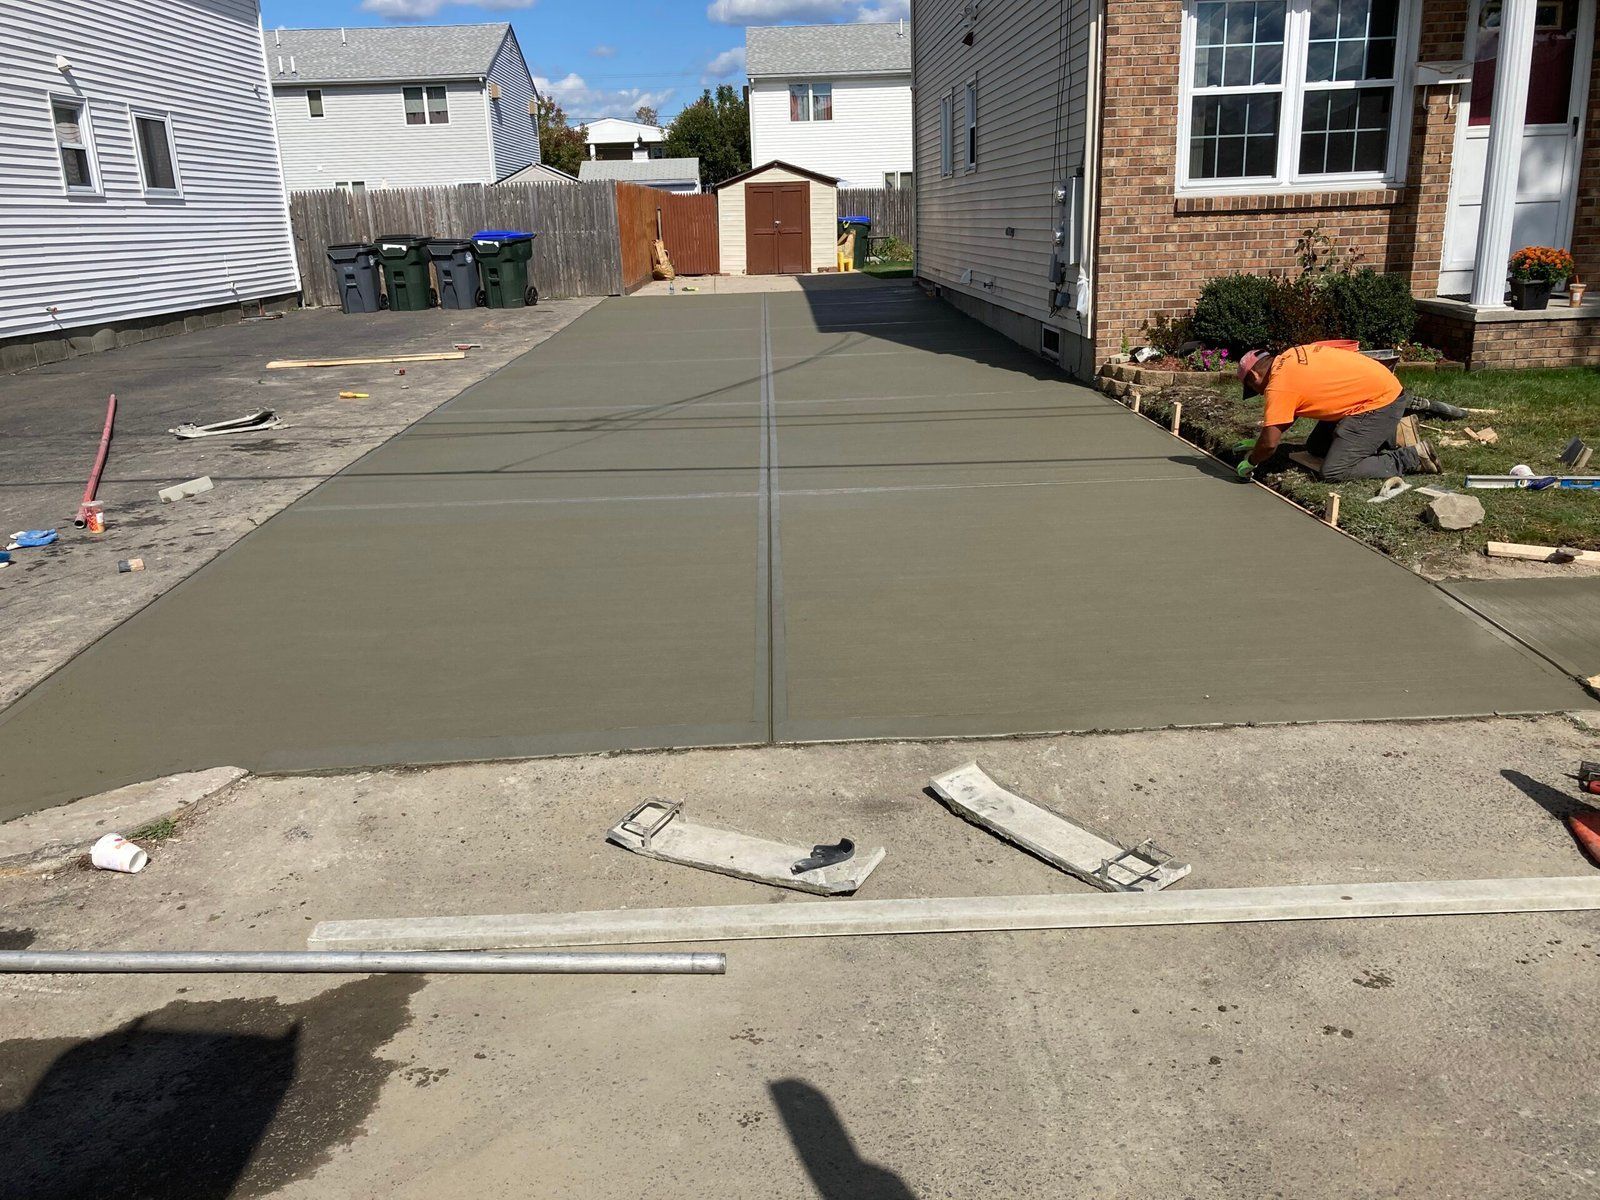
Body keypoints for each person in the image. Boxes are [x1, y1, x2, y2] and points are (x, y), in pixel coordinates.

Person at [1234, 343, 1441, 482]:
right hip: (1377, 391)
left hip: (1379, 403)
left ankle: (1411, 458)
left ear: (1254, 375)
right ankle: (1392, 433)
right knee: (1316, 447)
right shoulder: (1289, 356)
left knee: (1334, 470)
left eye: (1253, 389)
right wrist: (1260, 442)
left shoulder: (1279, 385)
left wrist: (1253, 460)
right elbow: (1285, 416)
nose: (1259, 395)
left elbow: (1270, 444)